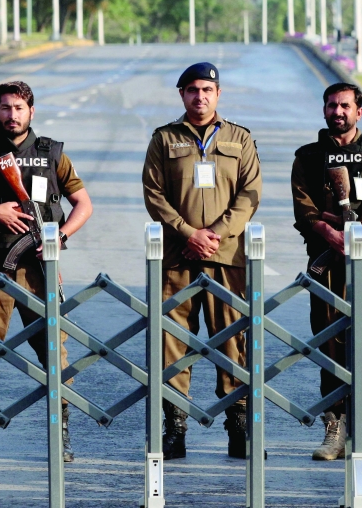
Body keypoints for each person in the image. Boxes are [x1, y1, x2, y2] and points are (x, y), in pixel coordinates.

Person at [0, 81, 93, 464]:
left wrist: (60, 236)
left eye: (18, 108)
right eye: (5, 108)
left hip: (39, 267)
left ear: (31, 111)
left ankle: (60, 435)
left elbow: (83, 204)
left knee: (54, 351)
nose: (12, 115)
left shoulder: (52, 155)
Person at [142, 62, 262, 460]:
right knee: (173, 342)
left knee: (232, 339)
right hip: (178, 256)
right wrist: (188, 233)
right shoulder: (164, 139)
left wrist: (218, 234)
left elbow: (250, 194)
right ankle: (174, 428)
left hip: (226, 257)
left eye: (207, 90)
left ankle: (239, 427)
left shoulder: (239, 138)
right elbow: (153, 193)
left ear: (218, 94)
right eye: (192, 90)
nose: (200, 96)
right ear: (181, 94)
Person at [291, 82, 362, 463]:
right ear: (324, 110)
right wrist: (327, 231)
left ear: (359, 111)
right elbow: (303, 206)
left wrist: (356, 232)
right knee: (329, 340)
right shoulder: (308, 156)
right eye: (331, 105)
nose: (338, 112)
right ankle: (335, 424)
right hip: (326, 259)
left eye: (345, 106)